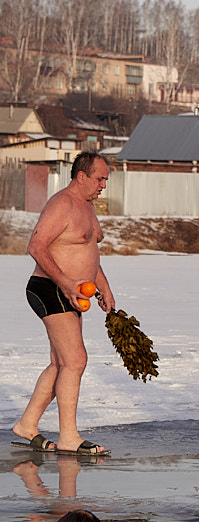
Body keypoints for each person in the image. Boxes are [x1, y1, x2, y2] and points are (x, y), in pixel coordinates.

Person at [12, 152, 115, 457]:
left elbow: (87, 254)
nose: (103, 185)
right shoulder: (63, 203)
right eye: (100, 178)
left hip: (74, 291)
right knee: (76, 360)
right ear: (81, 176)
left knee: (62, 363)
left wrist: (104, 289)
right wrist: (66, 283)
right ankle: (68, 435)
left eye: (106, 179)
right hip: (51, 288)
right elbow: (36, 245)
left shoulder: (86, 207)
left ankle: (27, 424)